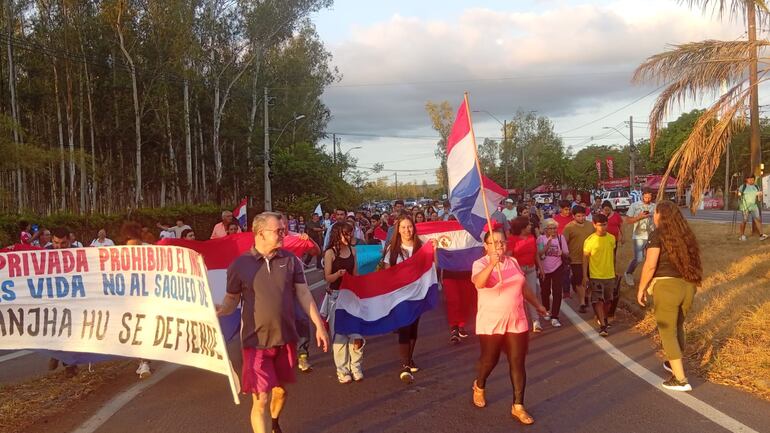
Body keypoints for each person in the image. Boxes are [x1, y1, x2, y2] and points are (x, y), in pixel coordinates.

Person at [219, 212, 329, 433]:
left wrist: (319, 326)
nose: (283, 234)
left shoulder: (291, 260)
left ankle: (275, 422)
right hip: (255, 342)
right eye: (278, 231)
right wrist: (220, 311)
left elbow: (304, 293)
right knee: (260, 399)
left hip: (285, 338)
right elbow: (231, 300)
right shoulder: (240, 265)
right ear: (260, 233)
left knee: (280, 391)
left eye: (283, 230)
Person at [471, 227, 547, 426]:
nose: (499, 246)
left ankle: (518, 405)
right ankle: (479, 384)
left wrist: (537, 305)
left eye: (502, 242)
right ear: (486, 246)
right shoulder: (479, 264)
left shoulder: (512, 262)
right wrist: (492, 264)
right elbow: (479, 283)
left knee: (517, 361)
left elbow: (523, 287)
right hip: (491, 322)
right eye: (494, 243)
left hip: (517, 319)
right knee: (490, 360)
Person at [636, 200, 702, 392]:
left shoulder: (657, 235)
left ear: (661, 215)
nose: (653, 216)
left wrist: (641, 288)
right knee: (678, 326)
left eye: (655, 213)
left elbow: (650, 265)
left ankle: (680, 380)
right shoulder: (686, 235)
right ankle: (673, 363)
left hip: (666, 287)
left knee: (667, 332)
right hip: (687, 286)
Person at [383, 214, 424, 383]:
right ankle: (405, 364)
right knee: (405, 328)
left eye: (409, 226)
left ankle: (409, 358)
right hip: (400, 296)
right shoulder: (392, 250)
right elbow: (387, 272)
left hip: (417, 294)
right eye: (403, 227)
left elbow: (430, 267)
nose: (407, 230)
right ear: (398, 230)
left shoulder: (421, 246)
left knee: (413, 328)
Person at [323, 222, 364, 383]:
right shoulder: (330, 253)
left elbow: (355, 274)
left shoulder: (353, 251)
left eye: (350, 233)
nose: (349, 236)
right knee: (340, 335)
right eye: (345, 233)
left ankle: (356, 367)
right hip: (336, 296)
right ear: (337, 235)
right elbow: (327, 277)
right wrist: (338, 274)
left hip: (351, 295)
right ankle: (342, 370)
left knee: (356, 334)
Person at [45, 227, 79, 378]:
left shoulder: (79, 252)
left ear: (69, 240)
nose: (59, 247)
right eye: (56, 243)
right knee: (54, 329)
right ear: (52, 240)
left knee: (70, 331)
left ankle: (69, 364)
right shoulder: (44, 253)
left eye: (63, 243)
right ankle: (57, 353)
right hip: (52, 299)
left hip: (72, 298)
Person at [507, 216, 544, 332]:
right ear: (522, 227)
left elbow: (535, 254)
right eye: (528, 225)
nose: (530, 226)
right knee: (518, 297)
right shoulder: (512, 239)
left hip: (531, 270)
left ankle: (535, 320)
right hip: (518, 272)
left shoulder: (532, 237)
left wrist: (541, 268)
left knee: (532, 295)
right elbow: (509, 256)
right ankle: (520, 321)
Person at [582, 213, 616, 337]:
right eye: (600, 225)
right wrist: (585, 276)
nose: (603, 227)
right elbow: (585, 258)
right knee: (598, 300)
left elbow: (613, 255)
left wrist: (615, 270)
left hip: (609, 275)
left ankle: (604, 318)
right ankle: (602, 325)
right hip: (596, 275)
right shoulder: (589, 241)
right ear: (594, 225)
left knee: (608, 300)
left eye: (605, 224)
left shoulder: (612, 238)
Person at [563, 206, 596, 313]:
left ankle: (587, 295)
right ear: (573, 216)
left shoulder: (591, 225)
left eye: (583, 215)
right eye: (578, 216)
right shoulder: (569, 227)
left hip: (591, 258)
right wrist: (566, 256)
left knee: (590, 280)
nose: (581, 218)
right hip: (575, 259)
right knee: (579, 280)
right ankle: (582, 302)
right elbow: (564, 242)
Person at [536, 219, 568, 328]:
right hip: (544, 269)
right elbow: (540, 253)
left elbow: (566, 253)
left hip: (558, 268)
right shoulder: (541, 239)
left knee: (557, 292)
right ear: (545, 229)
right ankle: (546, 310)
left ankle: (555, 316)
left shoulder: (560, 238)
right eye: (551, 228)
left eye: (555, 228)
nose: (554, 230)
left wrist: (562, 253)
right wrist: (547, 245)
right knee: (545, 291)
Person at [624, 189, 656, 286]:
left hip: (651, 235)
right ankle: (628, 273)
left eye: (649, 197)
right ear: (642, 196)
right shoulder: (635, 206)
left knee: (651, 258)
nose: (647, 199)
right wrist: (639, 217)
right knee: (638, 258)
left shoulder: (654, 206)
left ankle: (650, 278)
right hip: (639, 235)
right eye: (646, 197)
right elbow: (628, 220)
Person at [737, 174, 768, 241]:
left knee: (758, 220)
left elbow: (759, 199)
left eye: (753, 180)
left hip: (754, 206)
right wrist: (739, 194)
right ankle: (742, 236)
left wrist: (760, 195)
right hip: (745, 206)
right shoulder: (743, 186)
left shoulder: (756, 186)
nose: (751, 181)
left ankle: (761, 235)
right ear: (747, 179)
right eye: (750, 179)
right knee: (744, 220)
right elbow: (738, 194)